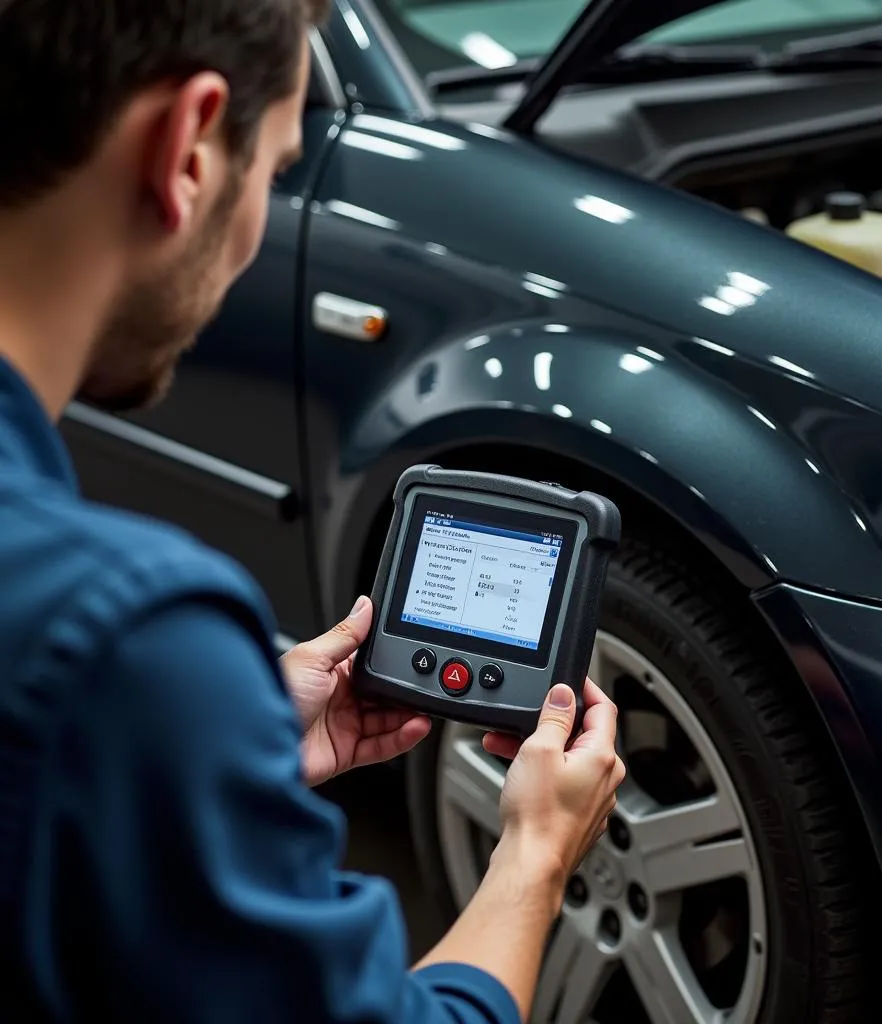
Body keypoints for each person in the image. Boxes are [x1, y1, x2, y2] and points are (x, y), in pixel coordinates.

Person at [0, 2, 626, 1022]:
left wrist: (209, 760)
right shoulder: (128, 638)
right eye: (279, 167)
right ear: (188, 147)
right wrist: (536, 854)